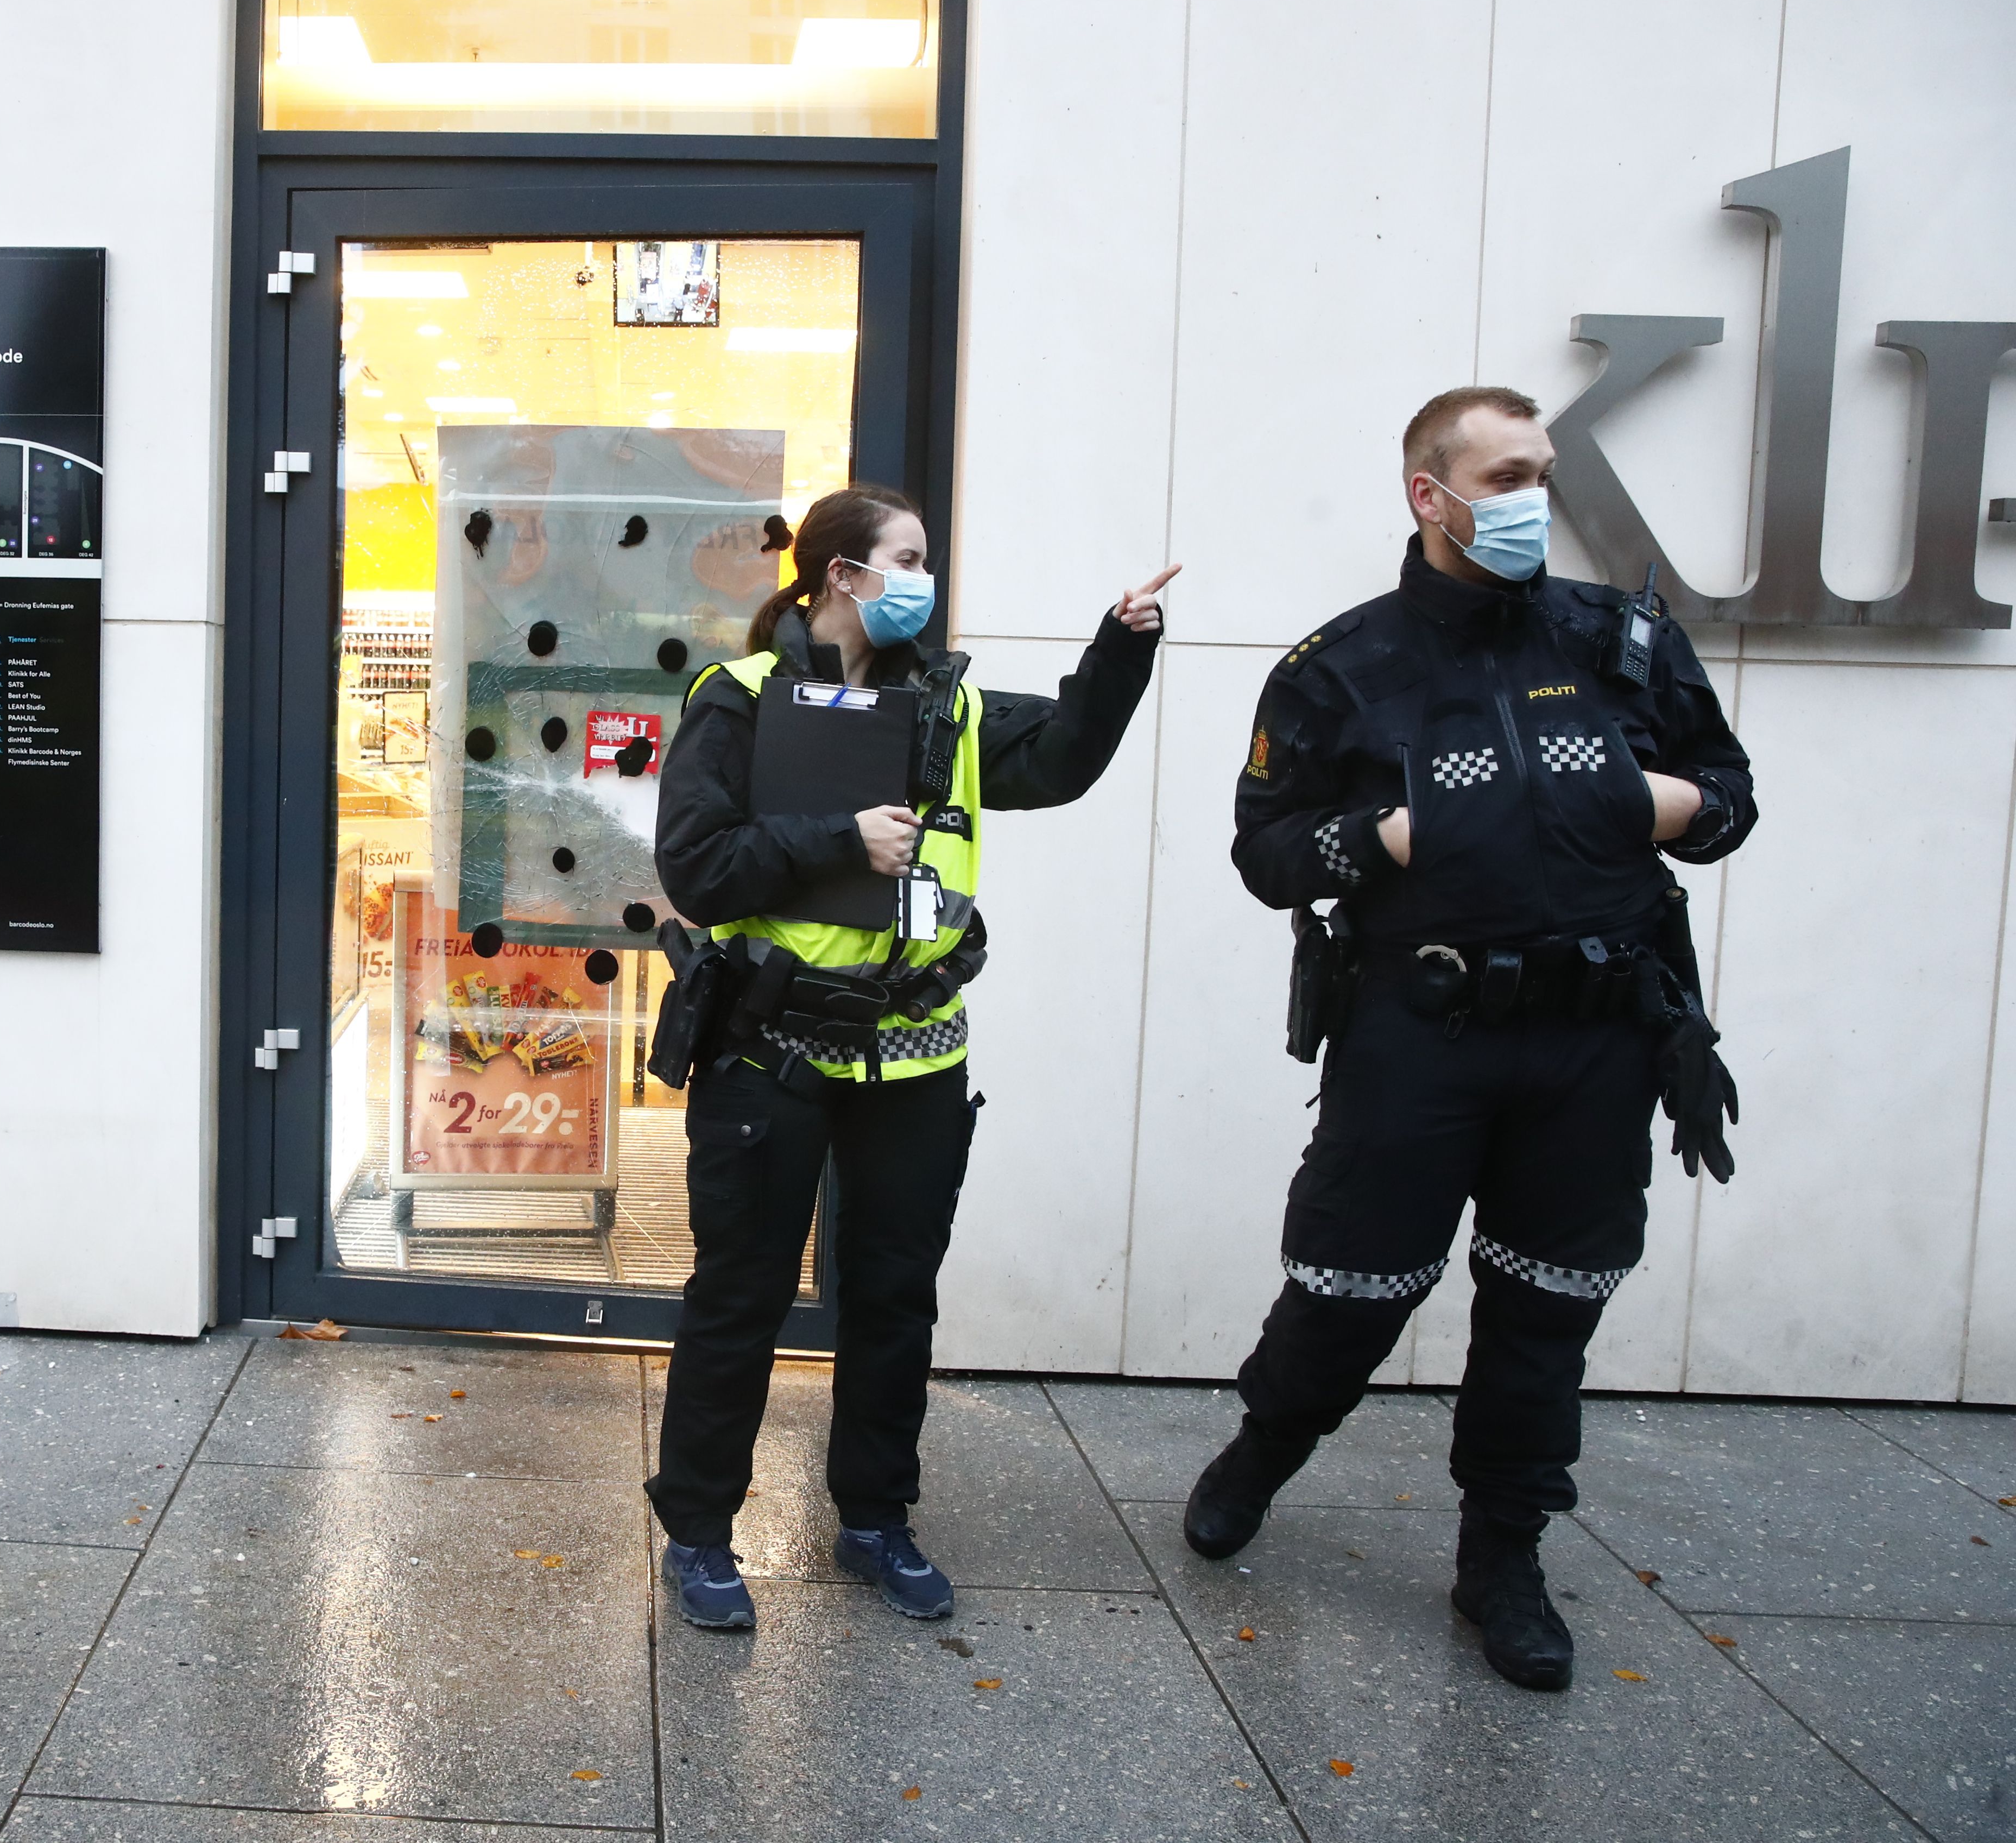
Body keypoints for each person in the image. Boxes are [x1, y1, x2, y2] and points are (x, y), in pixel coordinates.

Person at [1183, 385, 1755, 1691]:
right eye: (1504, 478)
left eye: (1541, 473)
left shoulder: (1624, 640)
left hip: (1597, 1035)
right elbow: (1266, 852)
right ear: (1428, 496)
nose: (1532, 502)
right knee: (1349, 1288)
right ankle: (1263, 1449)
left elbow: (1730, 800)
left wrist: (1645, 801)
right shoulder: (1343, 665)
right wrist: (1386, 837)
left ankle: (1503, 1557)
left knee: (1547, 1312)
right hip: (1419, 1032)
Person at [646, 483, 1176, 1630]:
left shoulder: (955, 710)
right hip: (771, 1051)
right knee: (740, 1296)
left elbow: (1068, 758)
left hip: (917, 1058)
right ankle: (699, 1533)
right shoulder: (737, 700)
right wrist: (836, 840)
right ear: (844, 574)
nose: (925, 581)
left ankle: (876, 1519)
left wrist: (1119, 650)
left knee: (894, 1299)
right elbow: (698, 868)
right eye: (910, 558)